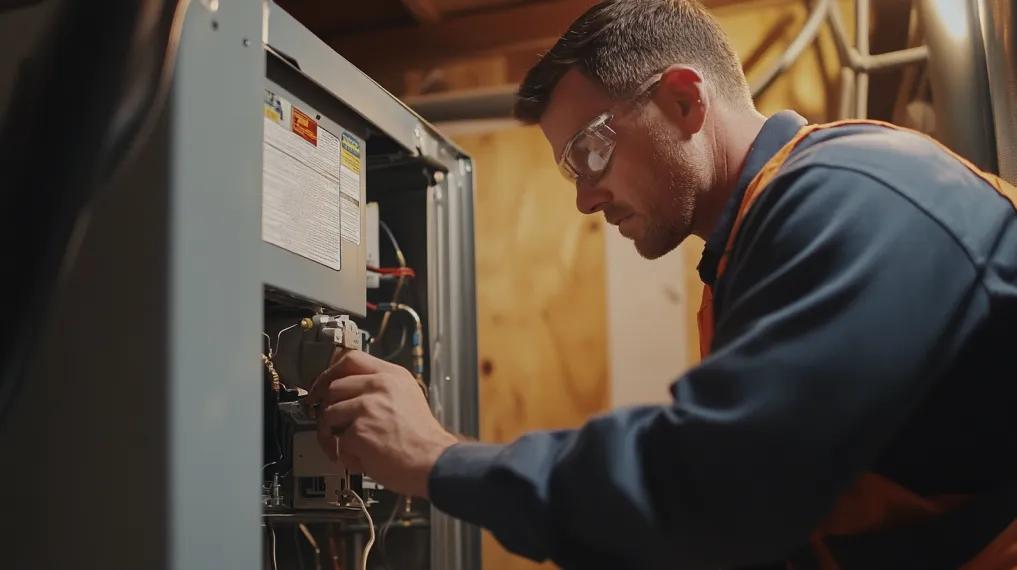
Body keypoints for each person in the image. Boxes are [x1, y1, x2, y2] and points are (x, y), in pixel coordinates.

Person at [308, 1, 1017, 567]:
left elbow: (717, 489)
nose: (585, 198)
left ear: (683, 99)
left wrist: (439, 459)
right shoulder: (751, 251)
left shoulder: (853, 194)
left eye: (590, 150)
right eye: (569, 169)